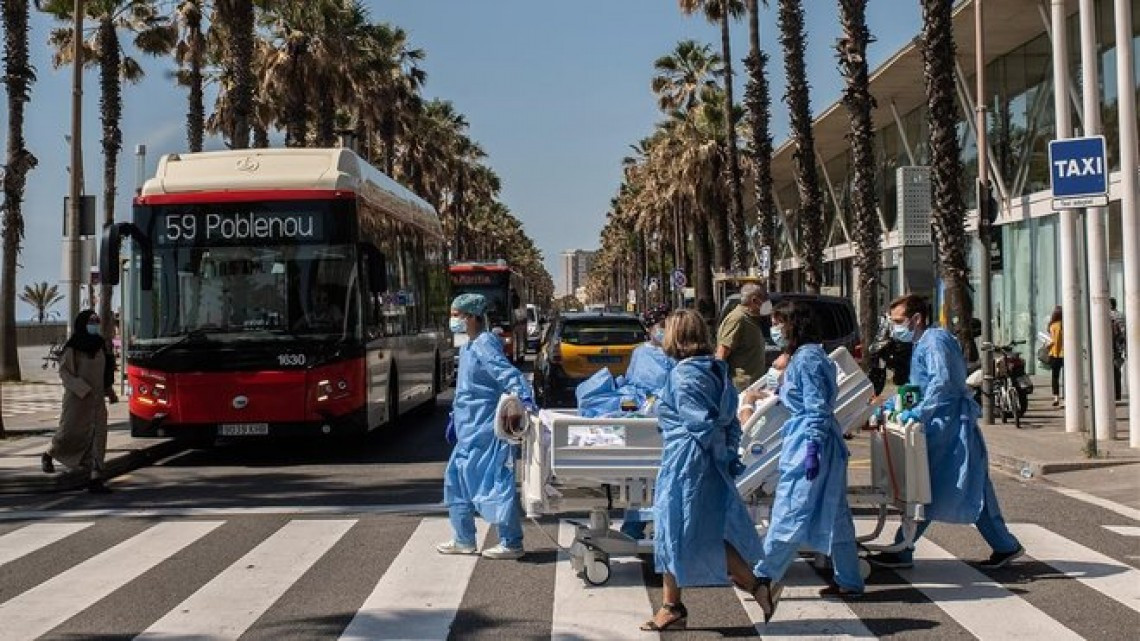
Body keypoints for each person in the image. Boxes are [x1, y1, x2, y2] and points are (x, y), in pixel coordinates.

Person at [867, 294, 1023, 570]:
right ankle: (1002, 545)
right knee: (939, 486)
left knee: (948, 484)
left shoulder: (935, 341)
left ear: (917, 319)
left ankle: (905, 547)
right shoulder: (922, 343)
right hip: (939, 426)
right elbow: (919, 388)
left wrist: (917, 412)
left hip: (949, 427)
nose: (895, 328)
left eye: (899, 321)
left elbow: (941, 385)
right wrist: (893, 404)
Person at [641, 309, 763, 632]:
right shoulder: (717, 370)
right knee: (690, 532)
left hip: (687, 463)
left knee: (677, 530)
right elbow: (728, 420)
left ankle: (752, 587)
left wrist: (712, 454)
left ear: (676, 336)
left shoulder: (684, 375)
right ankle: (673, 605)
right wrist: (726, 456)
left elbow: (701, 423)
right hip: (703, 461)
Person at [748, 302, 863, 623]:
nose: (774, 330)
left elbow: (814, 407)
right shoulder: (810, 357)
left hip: (811, 443)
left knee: (790, 510)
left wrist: (811, 448)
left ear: (792, 326)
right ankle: (850, 580)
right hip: (819, 441)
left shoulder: (808, 360)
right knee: (836, 514)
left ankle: (764, 575)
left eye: (777, 324)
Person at [438, 293, 537, 560]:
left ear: (471, 317)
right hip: (467, 429)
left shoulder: (484, 344)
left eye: (456, 315)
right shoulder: (469, 345)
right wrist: (454, 416)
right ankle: (464, 539)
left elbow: (506, 373)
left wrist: (524, 398)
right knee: (456, 481)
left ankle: (511, 542)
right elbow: (467, 389)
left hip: (485, 429)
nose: (453, 320)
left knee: (495, 482)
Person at [42, 310, 118, 494]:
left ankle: (95, 478)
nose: (94, 324)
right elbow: (65, 372)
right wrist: (81, 388)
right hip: (77, 400)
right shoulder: (73, 347)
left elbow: (106, 373)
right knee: (69, 433)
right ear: (83, 323)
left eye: (96, 321)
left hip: (97, 401)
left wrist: (110, 392)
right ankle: (49, 453)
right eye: (91, 321)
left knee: (98, 437)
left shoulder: (100, 346)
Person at [619, 305, 675, 540]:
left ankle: (661, 524)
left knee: (663, 476)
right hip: (643, 414)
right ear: (650, 328)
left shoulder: (674, 354)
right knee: (638, 477)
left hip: (668, 417)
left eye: (667, 327)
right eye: (660, 327)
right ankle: (634, 525)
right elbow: (631, 381)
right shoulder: (640, 353)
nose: (663, 332)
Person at [716, 283, 773, 391]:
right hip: (740, 390)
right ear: (755, 301)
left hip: (752, 388)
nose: (768, 304)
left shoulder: (751, 319)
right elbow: (721, 354)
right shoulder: (738, 319)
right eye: (765, 299)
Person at [1048, 306, 1064, 407]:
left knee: (1055, 376)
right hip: (1066, 354)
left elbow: (1052, 341)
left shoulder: (1052, 326)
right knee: (1068, 376)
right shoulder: (1065, 325)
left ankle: (1056, 397)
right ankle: (1067, 396)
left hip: (1054, 353)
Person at [1110, 297, 1125, 401]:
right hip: (1119, 346)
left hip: (1111, 346)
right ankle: (1118, 394)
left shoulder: (1109, 316)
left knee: (1110, 371)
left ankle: (1112, 393)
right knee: (1117, 371)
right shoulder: (1121, 315)